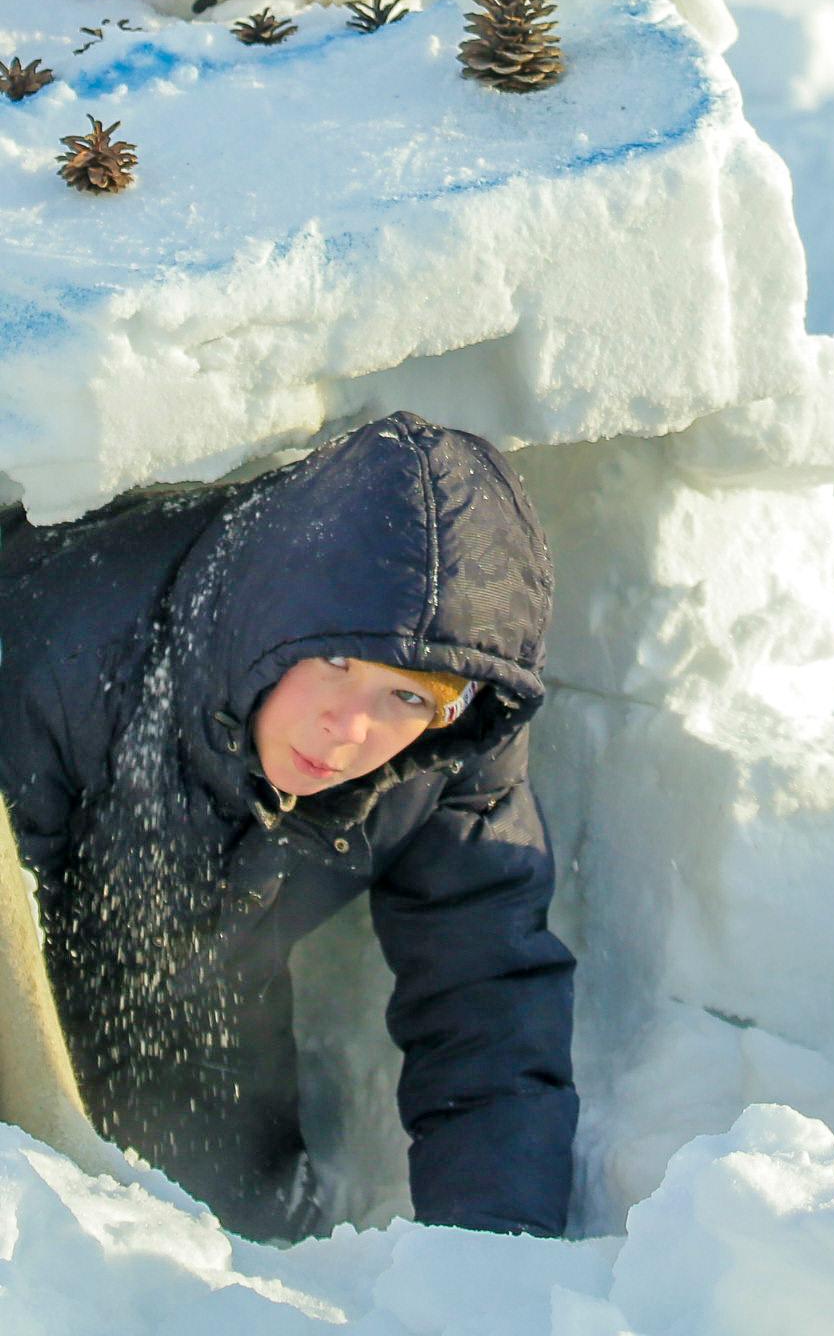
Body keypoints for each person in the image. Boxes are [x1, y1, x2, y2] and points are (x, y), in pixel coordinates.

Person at [0, 410, 577, 1241]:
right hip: (39, 960)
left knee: (249, 1226)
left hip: (212, 984)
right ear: (275, 623)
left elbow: (486, 995)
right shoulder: (62, 655)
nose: (349, 729)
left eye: (406, 696)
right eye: (336, 662)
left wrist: (495, 1258)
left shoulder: (447, 757)